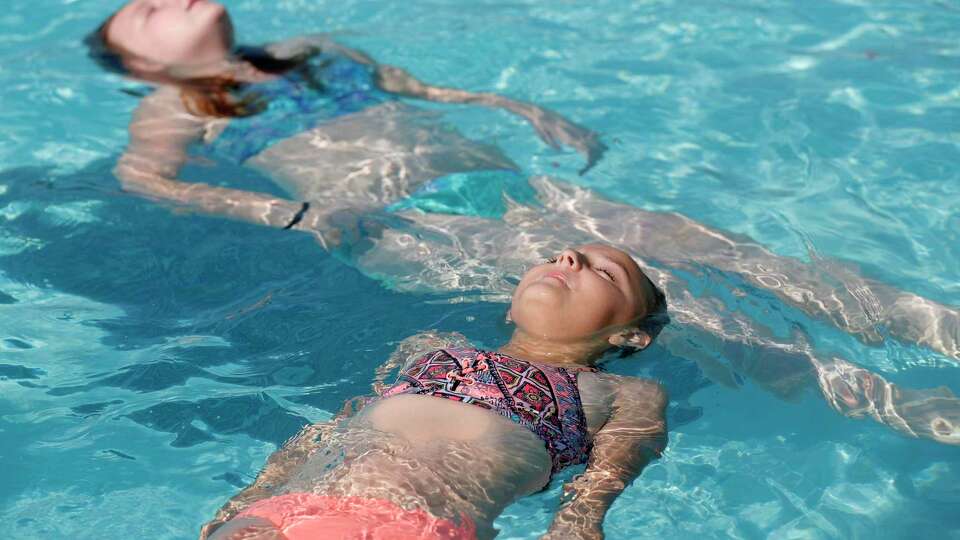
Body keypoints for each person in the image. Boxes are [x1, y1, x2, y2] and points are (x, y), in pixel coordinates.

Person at [199, 244, 669, 540]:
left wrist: (573, 528)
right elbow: (337, 428)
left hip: (414, 523)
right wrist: (252, 497)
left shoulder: (623, 392)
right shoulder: (432, 347)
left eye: (605, 273)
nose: (567, 258)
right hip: (283, 513)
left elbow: (599, 486)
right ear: (510, 309)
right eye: (555, 256)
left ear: (631, 335)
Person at [86, 0, 605, 234]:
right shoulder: (172, 106)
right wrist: (299, 215)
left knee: (673, 240)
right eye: (149, 12)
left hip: (498, 178)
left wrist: (520, 107)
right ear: (143, 66)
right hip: (405, 221)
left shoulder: (314, 48)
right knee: (638, 300)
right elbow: (143, 180)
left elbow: (417, 89)